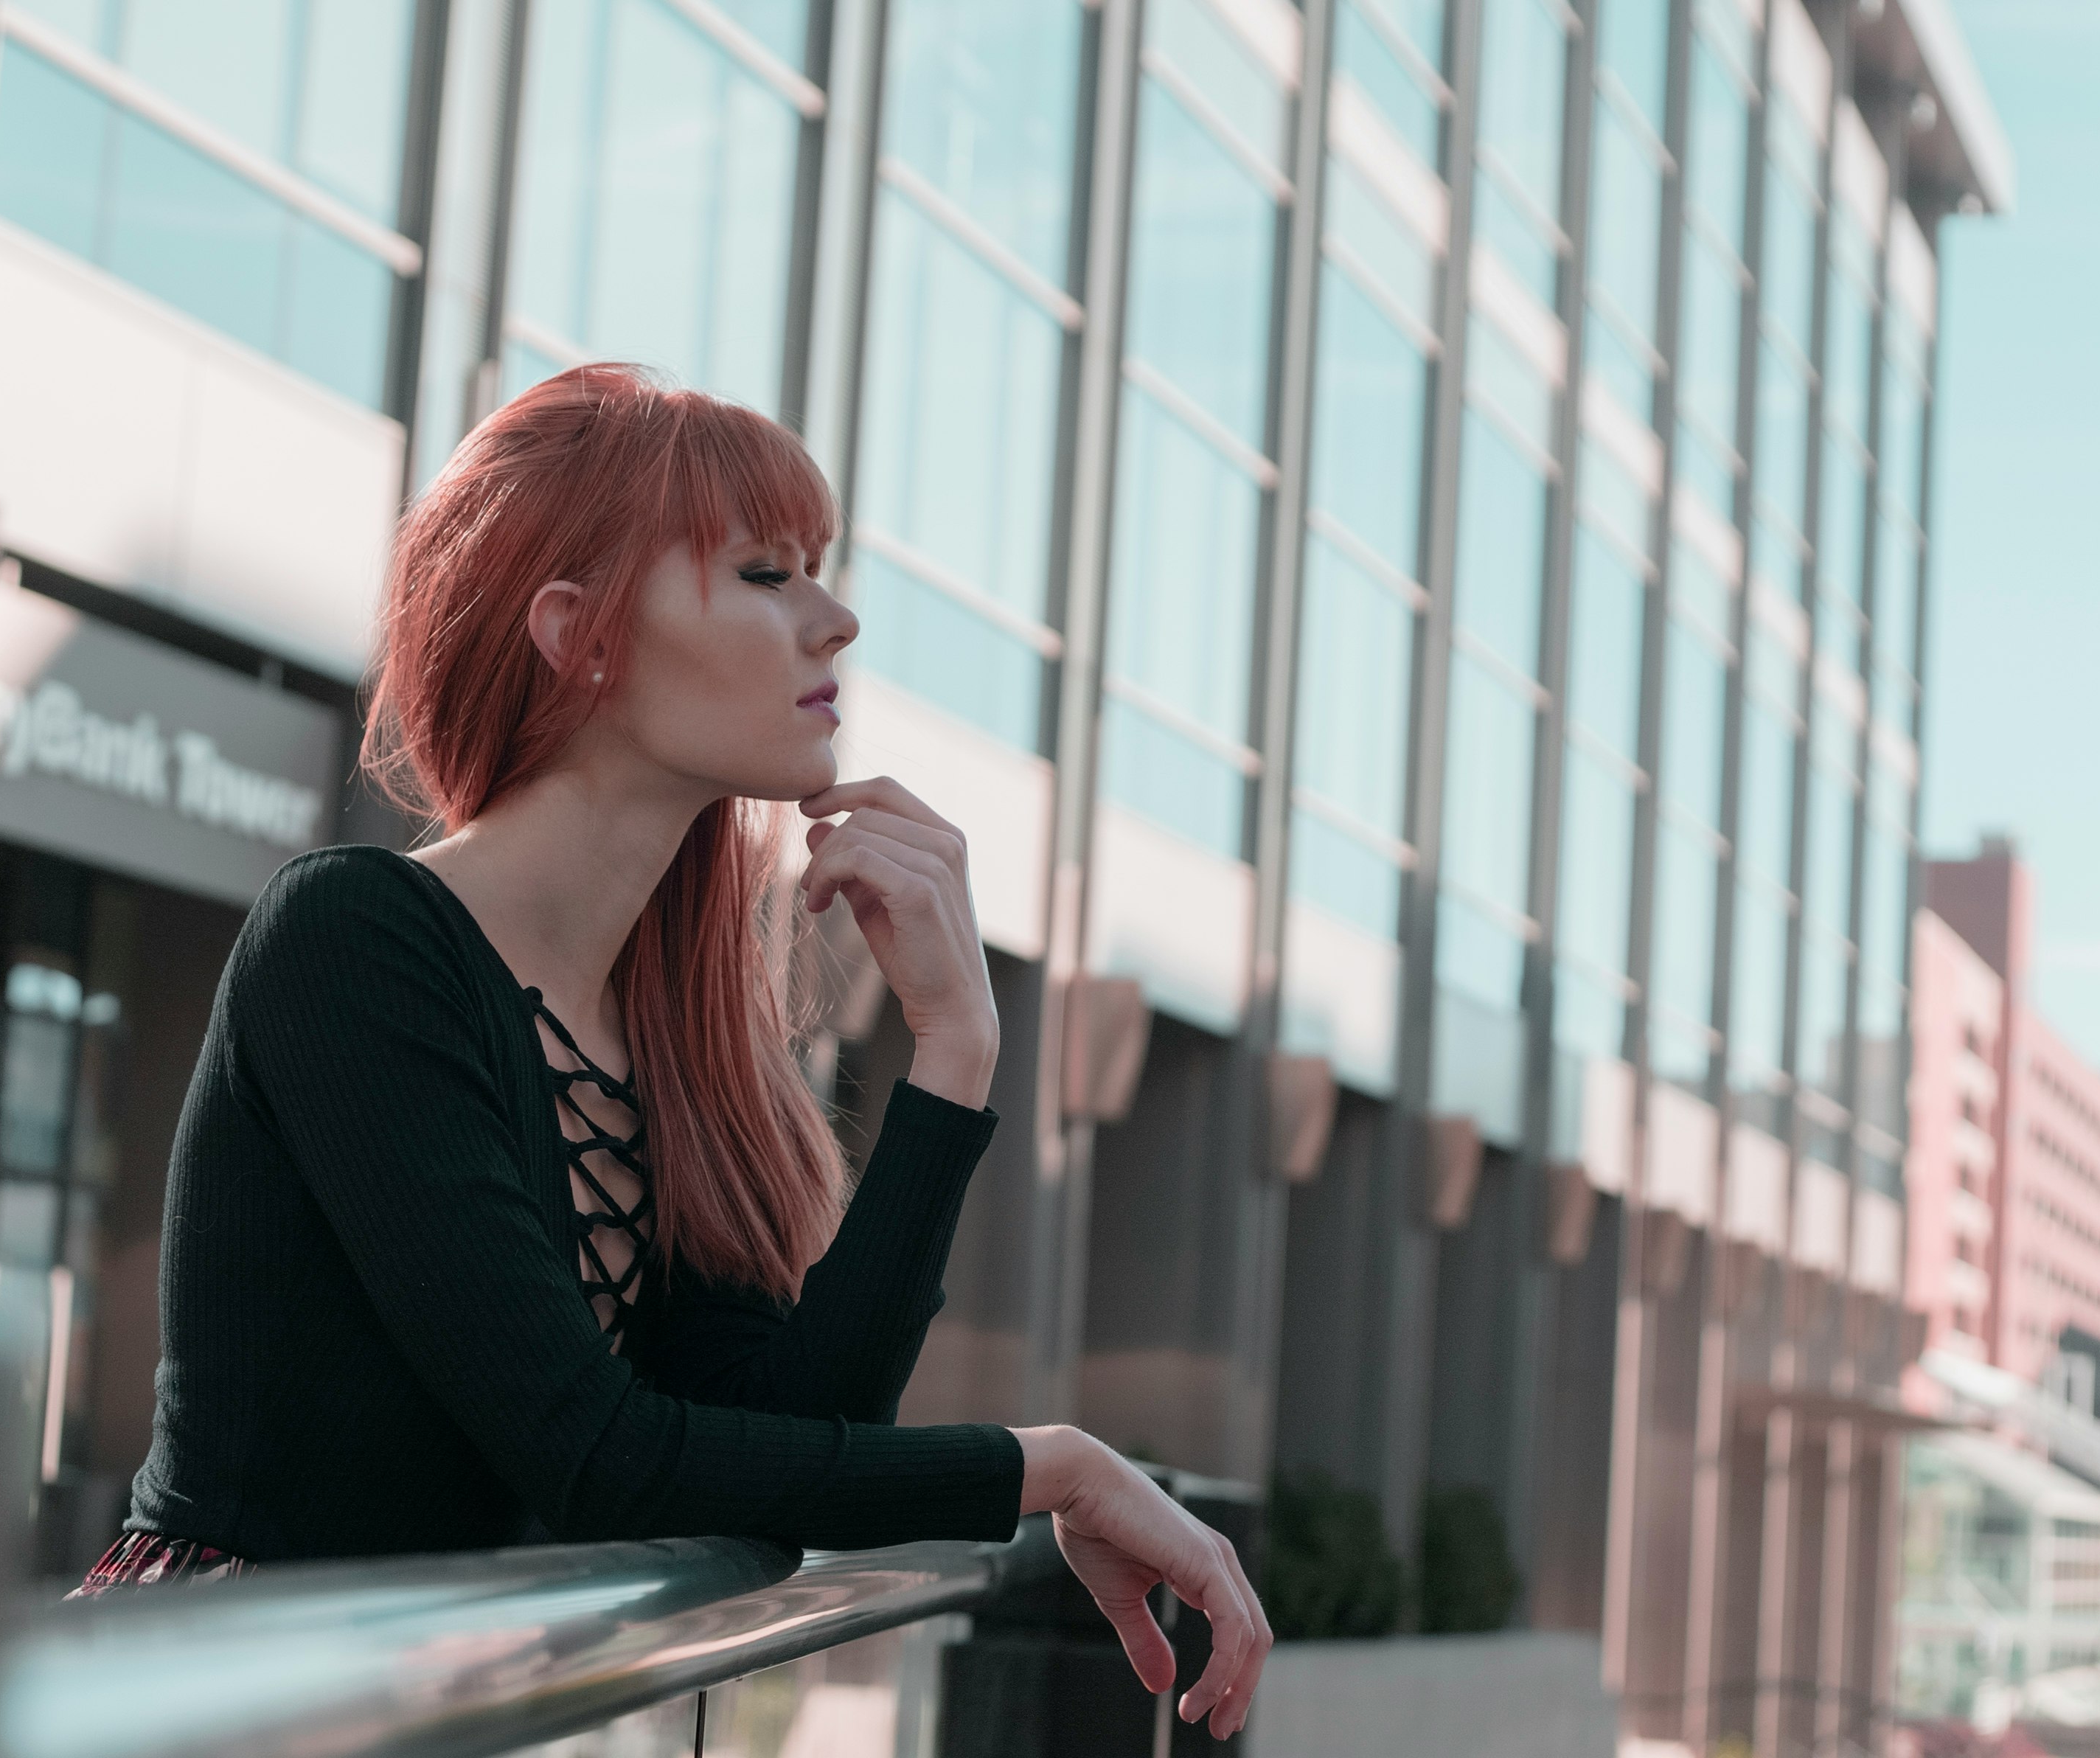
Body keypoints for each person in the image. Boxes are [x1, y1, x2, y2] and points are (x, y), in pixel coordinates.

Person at [79, 362, 1267, 1737]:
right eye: (767, 574)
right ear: (579, 633)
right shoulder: (353, 942)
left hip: (413, 1713)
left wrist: (956, 1051)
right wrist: (1045, 1469)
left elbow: (790, 1431)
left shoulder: (670, 1041)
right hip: (215, 1708)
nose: (838, 620)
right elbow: (598, 1456)